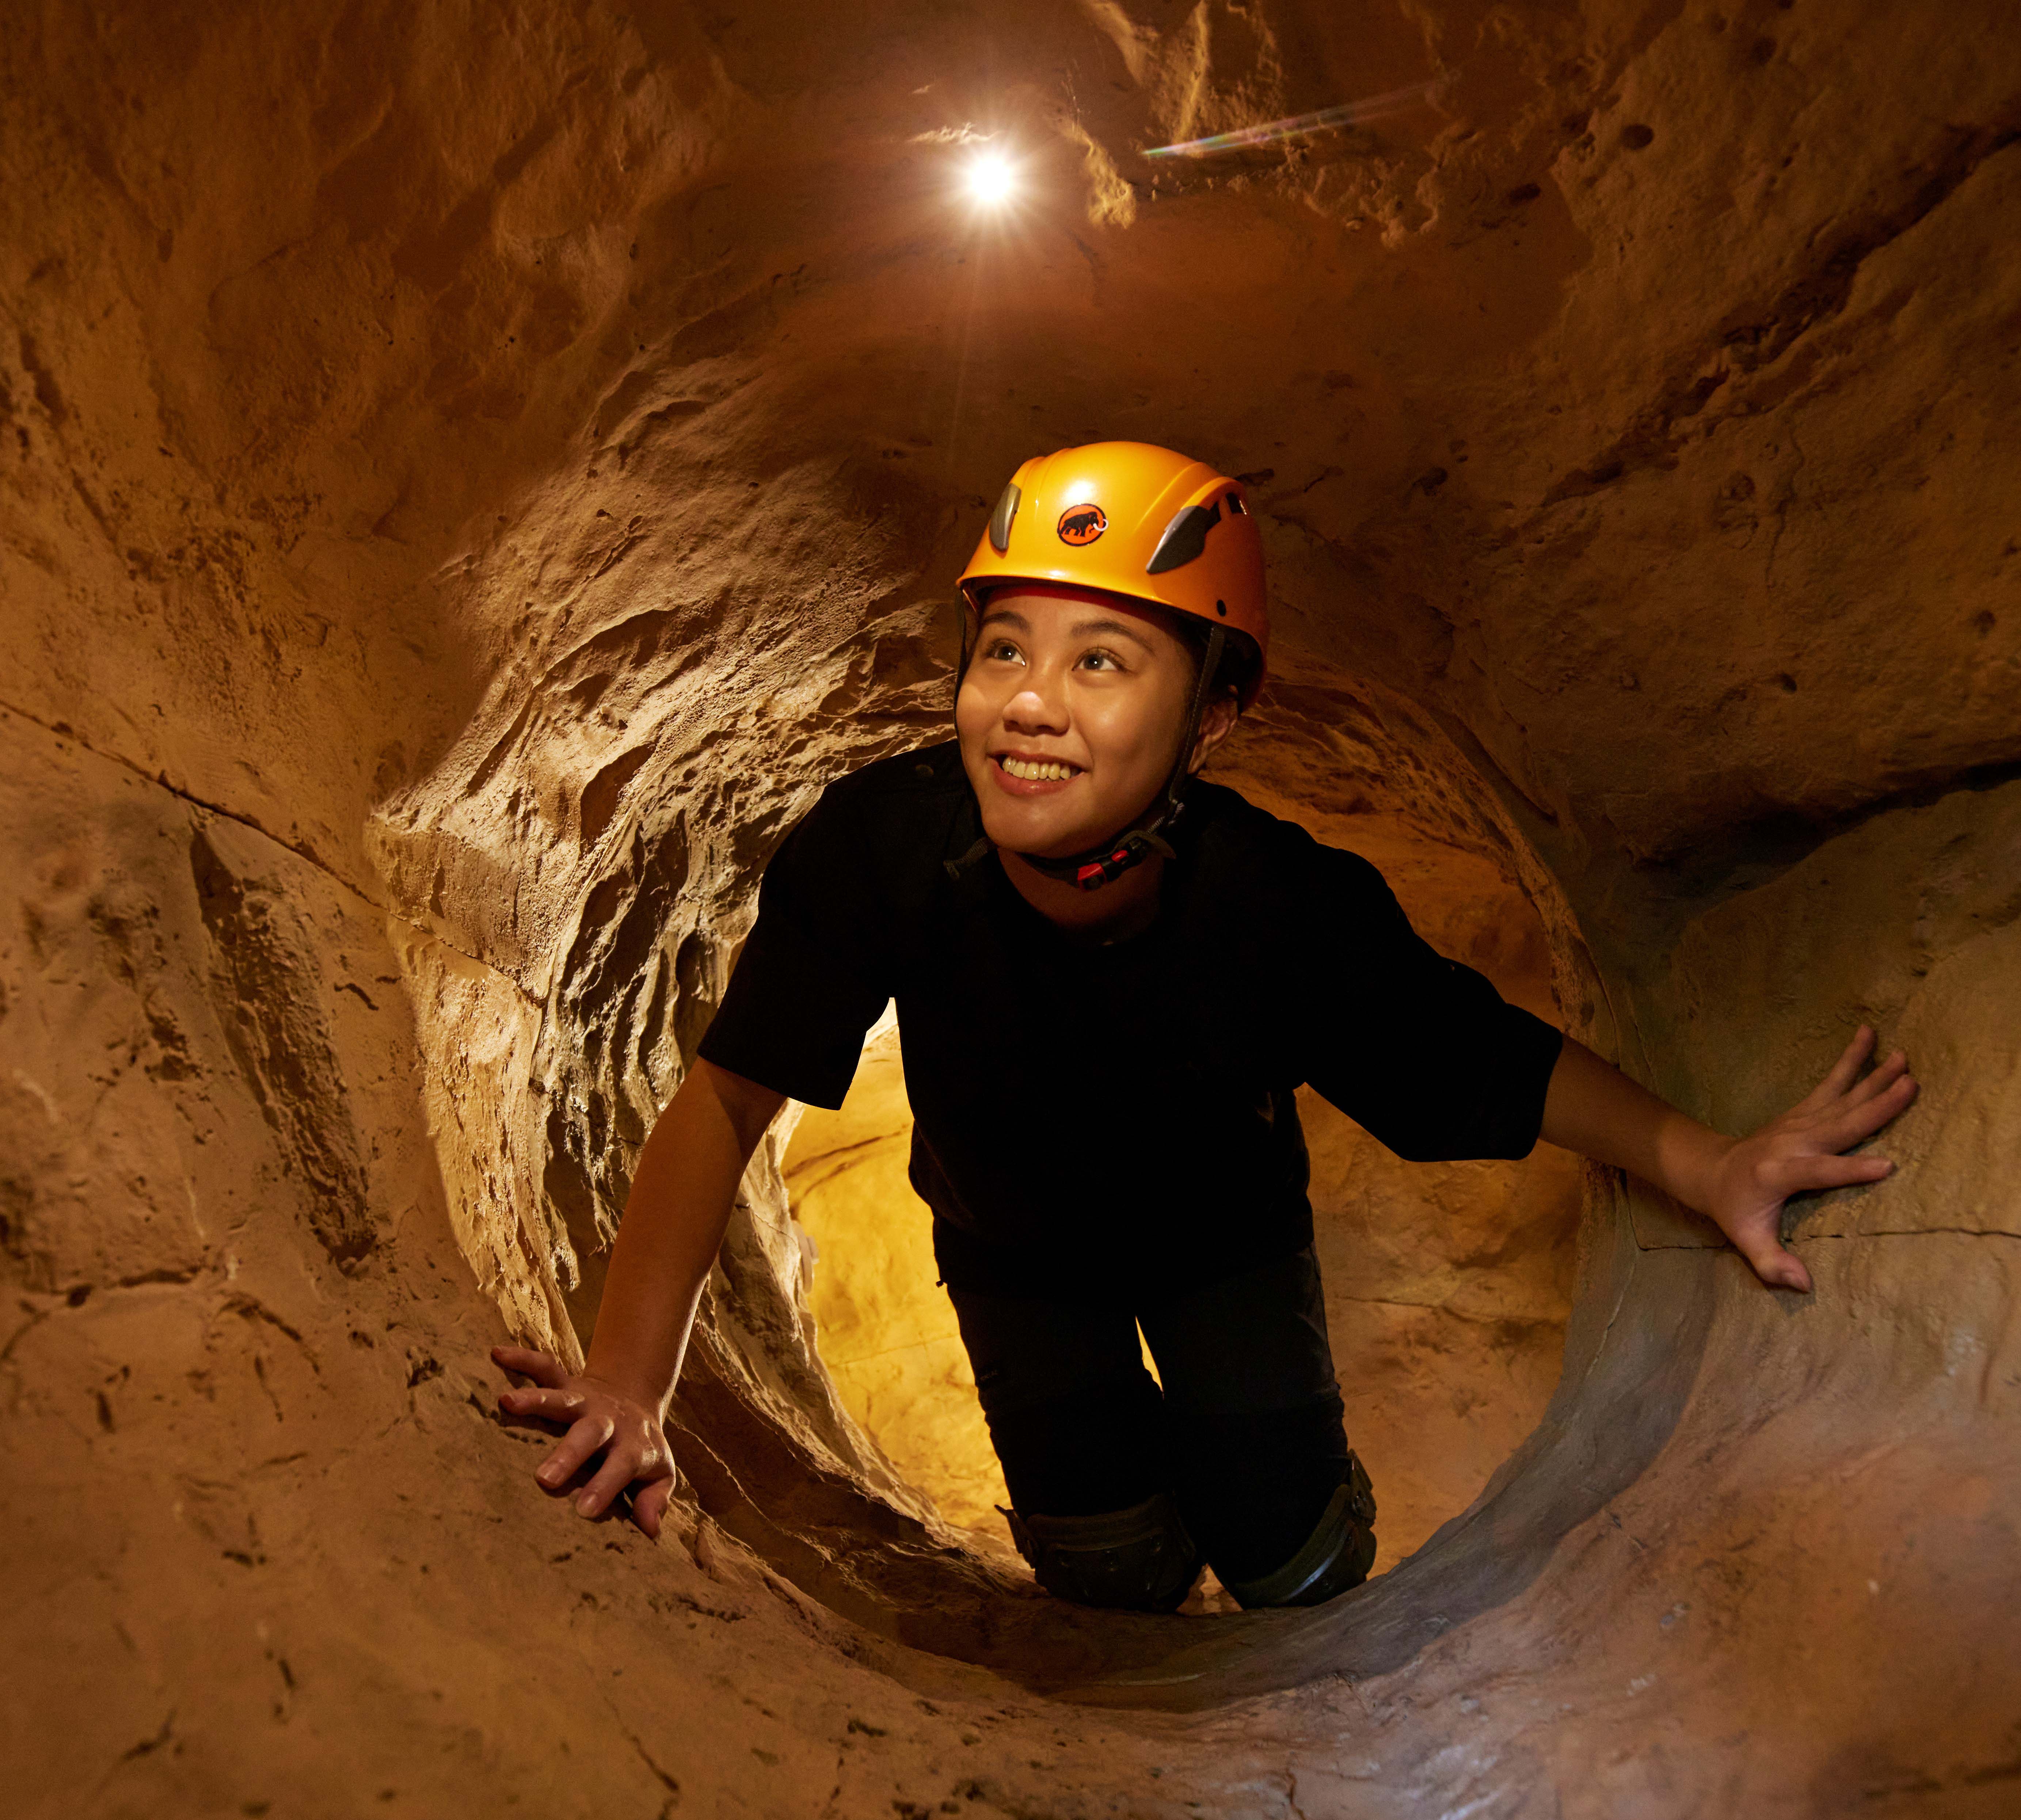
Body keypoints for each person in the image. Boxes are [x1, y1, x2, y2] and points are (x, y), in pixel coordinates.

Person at [493, 441, 1917, 1612]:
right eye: (1004, 649)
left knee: (1289, 1554)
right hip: (1011, 1251)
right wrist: (630, 1379)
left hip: (1224, 1250)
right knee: (1109, 1569)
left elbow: (1478, 1057)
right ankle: (1126, 1550)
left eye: (1104, 661)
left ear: (1218, 710)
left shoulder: (1273, 904)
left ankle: (1289, 1528)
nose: (1031, 704)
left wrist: (1709, 1165)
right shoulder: (885, 851)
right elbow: (732, 1095)